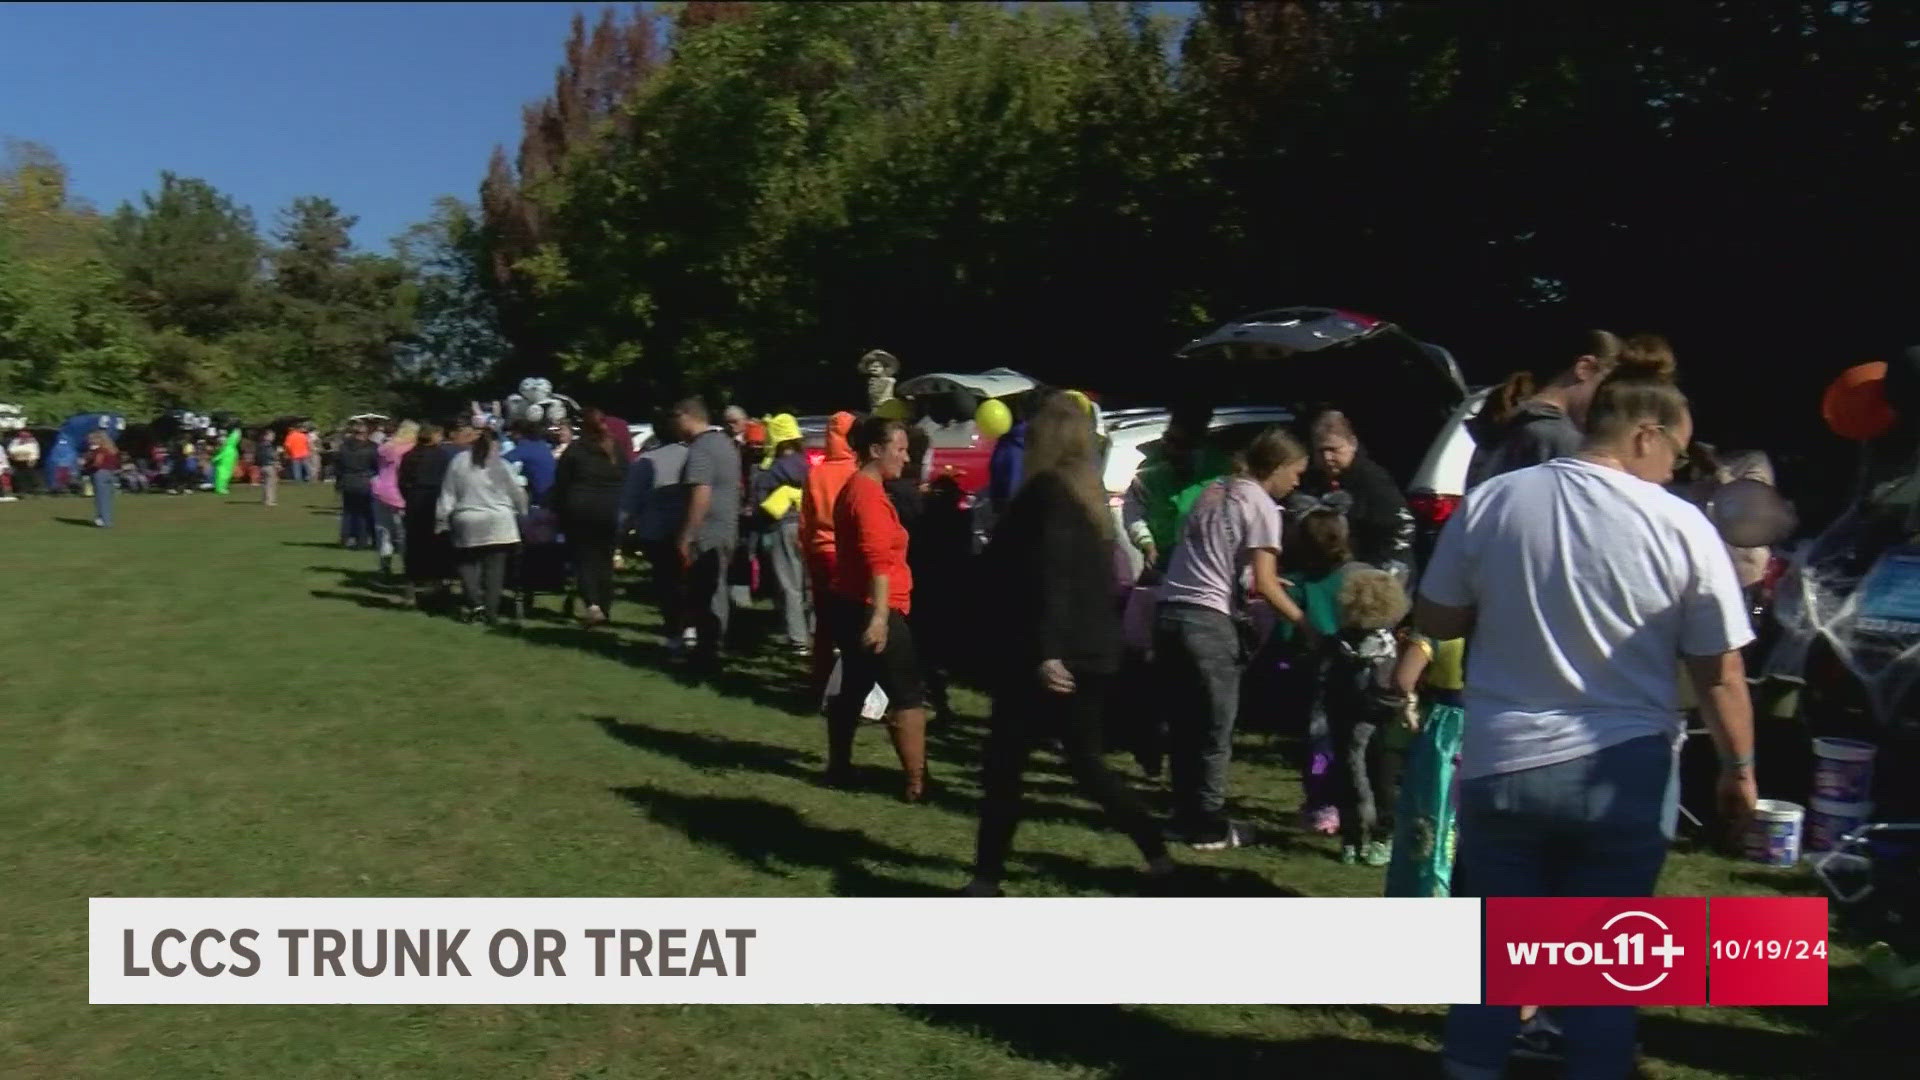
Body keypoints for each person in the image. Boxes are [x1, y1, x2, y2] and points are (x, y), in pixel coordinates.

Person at [1418, 365, 1757, 1080]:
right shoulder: (1680, 525)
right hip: (1623, 767)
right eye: (1678, 451)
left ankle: (1471, 1067)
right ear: (1644, 434)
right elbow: (1720, 672)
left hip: (1503, 758)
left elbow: (1437, 616)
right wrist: (1738, 771)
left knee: (1498, 953)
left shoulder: (1497, 500)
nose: (1678, 468)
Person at [964, 394, 1177, 896]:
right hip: (1088, 648)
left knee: (1006, 765)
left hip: (1049, 651)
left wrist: (1047, 650)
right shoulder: (1087, 497)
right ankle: (1157, 853)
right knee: (1085, 765)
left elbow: (1051, 577)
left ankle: (986, 877)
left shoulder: (1047, 495)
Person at [1156, 426, 1315, 850]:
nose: (1298, 482)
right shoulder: (1262, 505)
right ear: (1277, 468)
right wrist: (1303, 622)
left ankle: (1181, 814)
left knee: (1185, 724)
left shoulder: (1214, 489)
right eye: (1296, 472)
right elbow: (1264, 582)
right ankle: (1208, 824)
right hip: (1208, 622)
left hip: (1170, 611)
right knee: (1215, 729)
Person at [823, 416, 929, 801]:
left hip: (851, 603)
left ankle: (839, 767)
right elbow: (877, 561)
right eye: (899, 449)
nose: (906, 457)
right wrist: (881, 618)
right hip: (873, 607)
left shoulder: (861, 489)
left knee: (854, 686)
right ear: (875, 450)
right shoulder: (866, 494)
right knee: (906, 693)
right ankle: (918, 783)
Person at [1316, 568, 1411, 866]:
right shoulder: (1342, 643)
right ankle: (1354, 837)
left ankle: (1381, 835)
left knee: (1378, 779)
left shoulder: (1391, 645)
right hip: (1349, 718)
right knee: (1351, 777)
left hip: (1379, 720)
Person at [1384, 631, 1467, 898]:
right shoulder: (1507, 626)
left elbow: (1402, 679)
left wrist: (1410, 702)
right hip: (1494, 728)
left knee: (1434, 813)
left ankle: (1429, 892)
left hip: (1446, 730)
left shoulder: (1436, 632)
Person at [1293, 410, 1414, 578]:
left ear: (1352, 444)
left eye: (1334, 449)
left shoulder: (1373, 480)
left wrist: (1381, 569)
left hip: (1380, 573)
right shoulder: (1310, 481)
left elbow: (1402, 526)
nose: (1327, 457)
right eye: (1321, 451)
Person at [673, 397, 743, 668]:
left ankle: (707, 651)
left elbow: (701, 493)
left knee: (703, 592)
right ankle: (715, 644)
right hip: (727, 527)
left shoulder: (701, 449)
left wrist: (688, 534)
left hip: (708, 531)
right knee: (718, 590)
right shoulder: (725, 444)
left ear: (685, 416)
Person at [437, 424, 528, 624]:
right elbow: (517, 492)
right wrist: (523, 512)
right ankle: (491, 612)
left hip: (468, 520)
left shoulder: (458, 462)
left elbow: (448, 493)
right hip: (500, 522)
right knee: (495, 570)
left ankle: (474, 602)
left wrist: (442, 518)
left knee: (467, 564)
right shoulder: (502, 465)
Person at [1123, 403, 1229, 574]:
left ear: (1199, 442)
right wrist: (1147, 544)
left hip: (1208, 562)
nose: (1174, 450)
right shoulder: (1149, 470)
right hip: (1163, 560)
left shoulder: (1219, 470)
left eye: (1184, 444)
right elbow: (1133, 512)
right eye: (1170, 440)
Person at [551, 408, 629, 627]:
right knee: (604, 560)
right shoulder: (616, 450)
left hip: (580, 509)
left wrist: (558, 510)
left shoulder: (575, 450)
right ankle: (605, 606)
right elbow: (627, 477)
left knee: (584, 559)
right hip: (610, 510)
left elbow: (561, 483)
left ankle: (593, 604)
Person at [623, 412, 693, 649]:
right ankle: (691, 626)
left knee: (666, 583)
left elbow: (630, 501)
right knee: (688, 581)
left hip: (656, 531)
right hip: (688, 526)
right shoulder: (692, 456)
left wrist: (623, 529)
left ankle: (675, 631)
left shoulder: (645, 461)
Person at [802, 412, 859, 689]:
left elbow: (806, 518)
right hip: (849, 551)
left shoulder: (816, 472)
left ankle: (820, 677)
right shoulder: (859, 471)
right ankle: (852, 680)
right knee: (854, 620)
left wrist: (807, 548)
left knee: (824, 620)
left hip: (820, 551)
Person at [753, 414, 812, 653]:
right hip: (807, 525)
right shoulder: (806, 464)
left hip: (781, 526)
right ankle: (815, 630)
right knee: (809, 582)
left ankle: (797, 638)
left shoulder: (772, 469)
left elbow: (759, 500)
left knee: (789, 583)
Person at [334, 423, 380, 551]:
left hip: (348, 480)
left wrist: (339, 482)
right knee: (364, 512)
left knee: (348, 512)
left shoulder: (344, 447)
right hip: (364, 480)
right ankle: (362, 539)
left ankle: (345, 538)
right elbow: (376, 466)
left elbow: (338, 467)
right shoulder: (372, 447)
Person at [504, 419, 557, 508]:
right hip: (553, 494)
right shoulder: (542, 445)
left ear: (518, 434)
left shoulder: (523, 449)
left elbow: (502, 461)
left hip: (542, 499)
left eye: (512, 433)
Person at [83, 431, 120, 528]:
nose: (89, 441)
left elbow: (97, 463)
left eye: (91, 439)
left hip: (100, 474)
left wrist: (86, 466)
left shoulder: (99, 451)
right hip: (110, 473)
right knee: (107, 499)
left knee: (100, 499)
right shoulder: (112, 450)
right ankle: (107, 520)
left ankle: (103, 520)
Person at [9, 429, 41, 496]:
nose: (23, 438)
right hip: (17, 461)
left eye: (25, 436)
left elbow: (35, 452)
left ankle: (34, 489)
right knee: (19, 476)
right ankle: (21, 490)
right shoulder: (15, 442)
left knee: (30, 474)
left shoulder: (32, 442)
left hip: (29, 461)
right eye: (22, 436)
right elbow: (11, 450)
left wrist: (33, 460)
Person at [256, 428, 281, 507]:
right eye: (271, 436)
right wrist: (278, 452)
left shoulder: (260, 445)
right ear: (266, 436)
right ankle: (269, 501)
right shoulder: (268, 446)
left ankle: (265, 499)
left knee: (265, 484)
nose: (273, 437)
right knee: (270, 484)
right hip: (269, 466)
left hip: (262, 466)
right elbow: (272, 455)